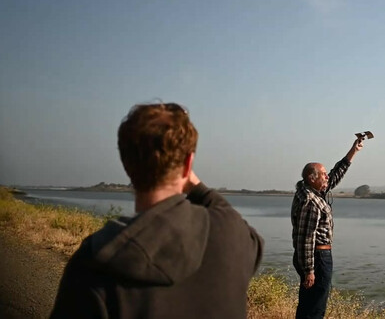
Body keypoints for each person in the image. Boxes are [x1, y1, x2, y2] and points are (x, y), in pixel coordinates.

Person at [50, 102, 264, 319]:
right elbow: (228, 215)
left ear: (125, 163)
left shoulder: (93, 263)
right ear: (189, 164)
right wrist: (193, 183)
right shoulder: (231, 235)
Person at [291, 137, 365, 319]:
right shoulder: (310, 202)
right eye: (323, 174)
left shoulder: (312, 191)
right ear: (312, 178)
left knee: (308, 304)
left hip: (316, 256)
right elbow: (306, 238)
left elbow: (336, 173)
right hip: (316, 257)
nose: (327, 176)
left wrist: (353, 151)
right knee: (315, 307)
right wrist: (309, 270)